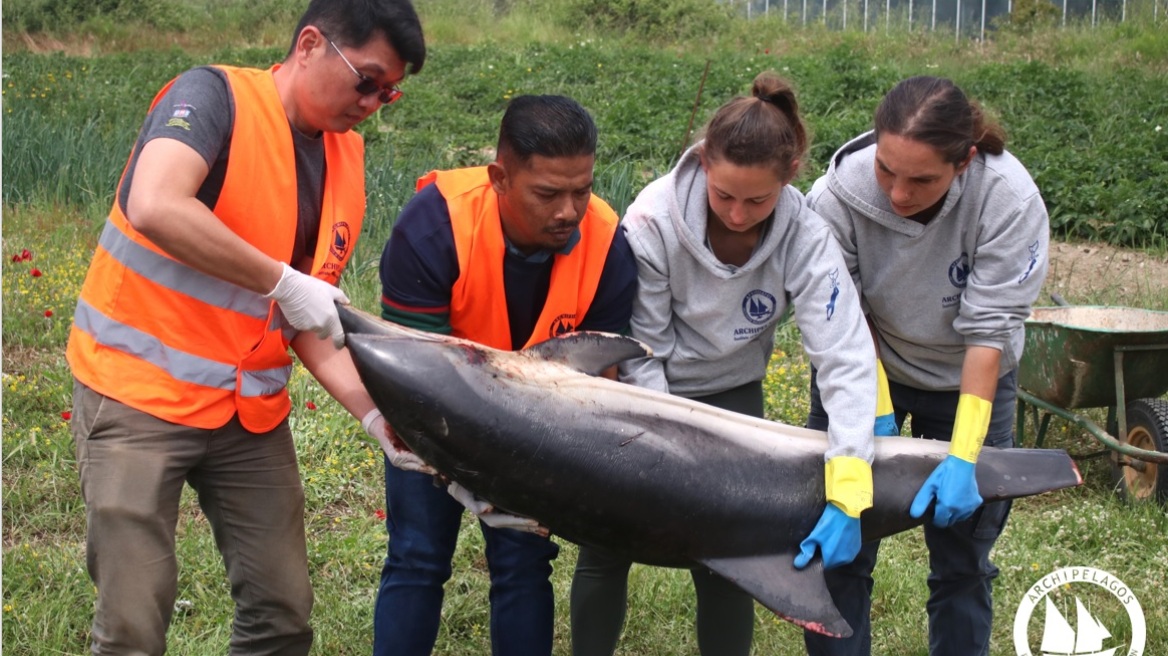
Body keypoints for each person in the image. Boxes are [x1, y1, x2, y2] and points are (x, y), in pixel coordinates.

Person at [64, 1, 425, 653]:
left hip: (248, 416)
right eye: (366, 79)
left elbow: (307, 315)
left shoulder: (346, 159)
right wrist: (283, 281)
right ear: (311, 43)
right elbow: (154, 203)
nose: (373, 101)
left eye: (389, 92)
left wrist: (376, 418)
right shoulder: (212, 97)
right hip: (137, 398)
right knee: (133, 625)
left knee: (282, 613)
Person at [569, 71, 879, 656]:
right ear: (705, 165)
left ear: (789, 178)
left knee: (731, 556)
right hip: (647, 394)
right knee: (608, 542)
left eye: (757, 200)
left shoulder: (806, 236)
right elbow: (645, 348)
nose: (738, 214)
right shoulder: (653, 219)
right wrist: (661, 454)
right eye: (725, 196)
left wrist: (849, 483)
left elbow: (844, 355)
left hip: (735, 392)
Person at [372, 94, 638, 656]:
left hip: (541, 430)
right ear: (499, 178)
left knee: (524, 562)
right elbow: (412, 373)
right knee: (418, 556)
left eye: (582, 190)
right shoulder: (434, 223)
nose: (569, 211)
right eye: (547, 193)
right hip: (430, 419)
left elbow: (599, 387)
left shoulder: (609, 242)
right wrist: (462, 466)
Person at [801, 76, 1050, 656]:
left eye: (921, 180)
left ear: (963, 161)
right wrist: (874, 412)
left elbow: (988, 336)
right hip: (868, 364)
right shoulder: (835, 198)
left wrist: (964, 453)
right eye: (887, 170)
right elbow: (844, 319)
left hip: (967, 376)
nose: (897, 193)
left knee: (963, 562)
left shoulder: (1008, 201)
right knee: (843, 549)